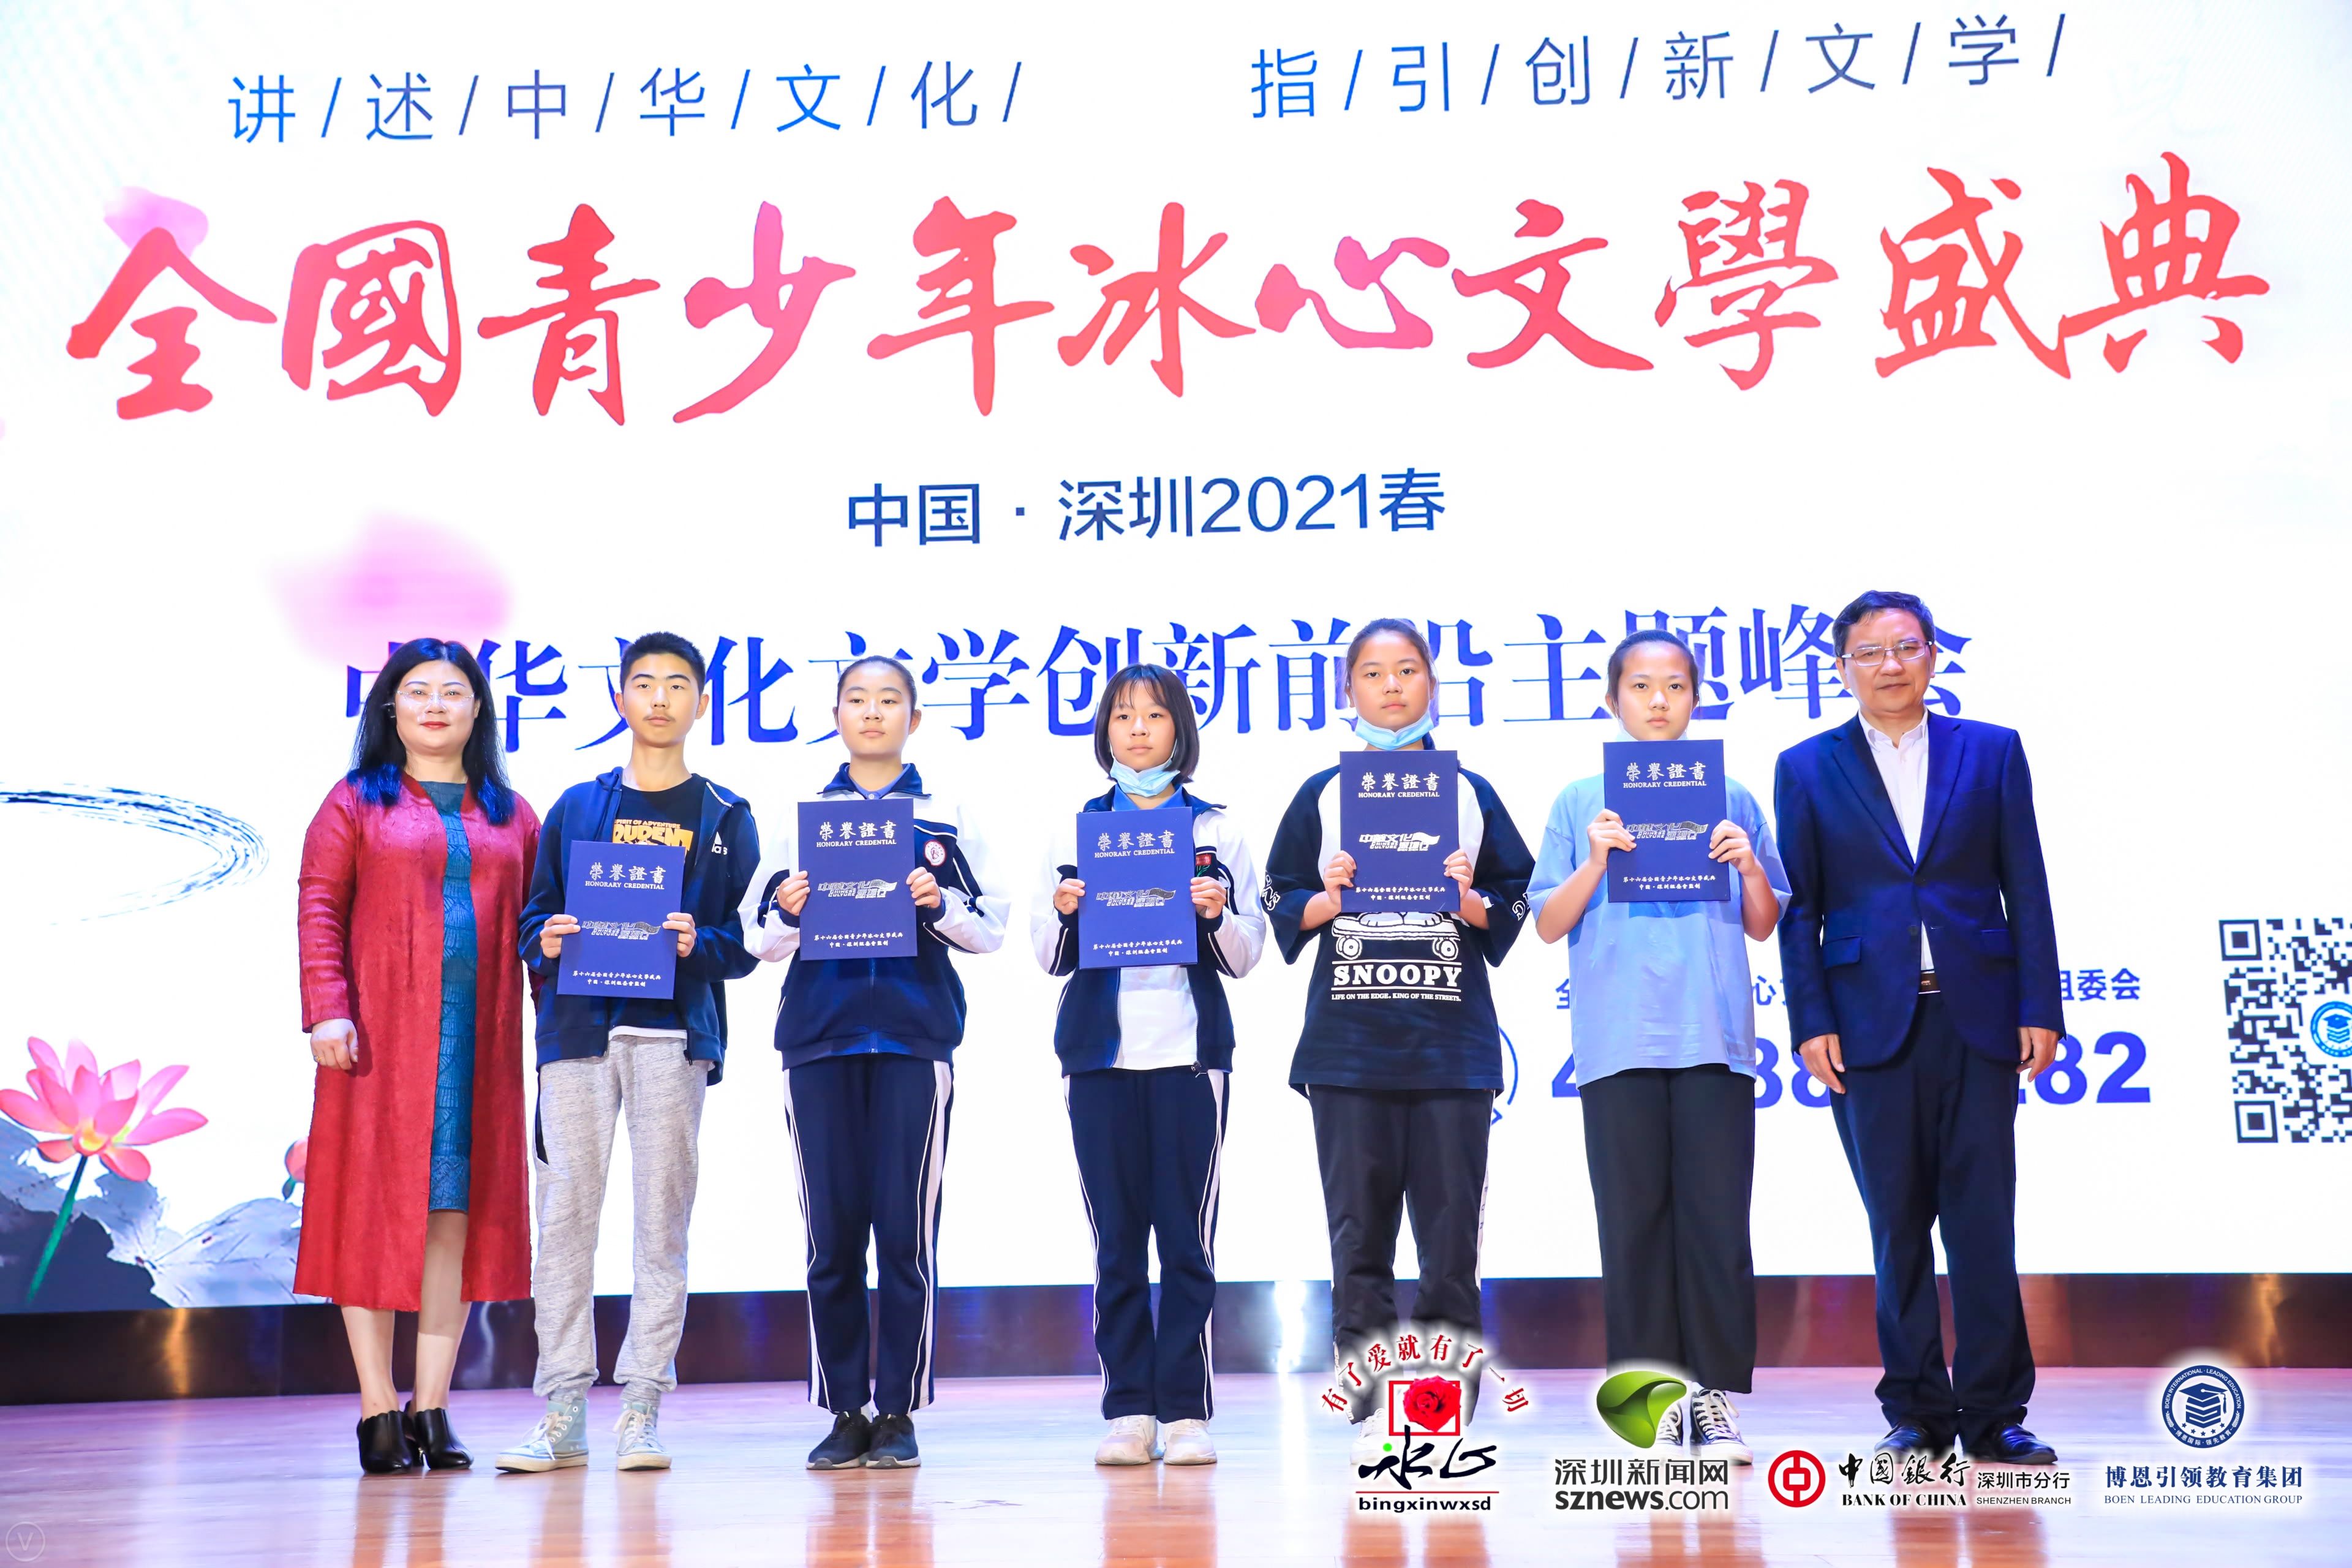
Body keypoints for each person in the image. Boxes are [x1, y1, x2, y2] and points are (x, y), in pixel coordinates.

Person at [1774, 590, 2064, 1466]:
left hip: (1978, 1015)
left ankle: (1996, 1414)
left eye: (1906, 647)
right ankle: (1915, 1413)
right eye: (1870, 653)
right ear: (1842, 669)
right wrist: (1810, 1019)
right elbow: (1801, 909)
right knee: (1896, 1227)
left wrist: (2040, 1007)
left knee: (1983, 1224)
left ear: (1935, 656)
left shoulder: (1992, 750)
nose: (1890, 666)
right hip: (1867, 1024)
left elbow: (2027, 885)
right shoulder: (1806, 766)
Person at [1261, 618, 1534, 1468]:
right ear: (1347, 690)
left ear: (1432, 686)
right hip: (1348, 1046)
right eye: (1373, 673)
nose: (1390, 686)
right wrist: (1329, 897)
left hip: (1451, 1043)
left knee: (1451, 1239)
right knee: (1359, 1233)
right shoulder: (1322, 794)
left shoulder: (1471, 793)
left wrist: (1469, 899)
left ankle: (1442, 1398)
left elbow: (1515, 898)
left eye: (1407, 670)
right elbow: (1280, 897)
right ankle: (1368, 1394)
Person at [496, 633, 763, 1474]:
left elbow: (747, 942)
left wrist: (696, 942)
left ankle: (642, 1406)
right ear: (619, 699)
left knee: (661, 1225)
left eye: (677, 685)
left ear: (702, 703)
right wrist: (549, 936)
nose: (659, 699)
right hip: (578, 1034)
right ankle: (562, 1409)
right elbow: (531, 920)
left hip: (673, 1037)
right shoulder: (578, 805)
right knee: (565, 1221)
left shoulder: (725, 814)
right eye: (643, 684)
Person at [1527, 630, 1788, 1464]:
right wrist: (1595, 861)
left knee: (1717, 1223)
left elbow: (1764, 921)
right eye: (1640, 686)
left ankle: (1714, 1401)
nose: (1659, 700)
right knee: (1632, 1224)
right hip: (1618, 1040)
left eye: (1675, 685)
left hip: (1713, 1037)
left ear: (1695, 699)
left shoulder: (1733, 796)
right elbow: (1547, 924)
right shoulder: (1580, 802)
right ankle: (1651, 1402)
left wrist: (1749, 867)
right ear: (1612, 702)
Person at [747, 656, 1005, 1471]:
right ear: (836, 716)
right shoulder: (802, 820)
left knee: (904, 1236)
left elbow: (992, 928)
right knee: (829, 1239)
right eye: (856, 699)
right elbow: (756, 936)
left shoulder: (944, 819)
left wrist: (941, 905)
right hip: (818, 1041)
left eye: (889, 700)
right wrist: (788, 911)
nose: (872, 713)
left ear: (913, 720)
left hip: (913, 1041)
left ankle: (897, 1409)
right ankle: (843, 1409)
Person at [296, 638, 540, 1474]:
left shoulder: (512, 812)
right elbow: (319, 907)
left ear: (478, 709)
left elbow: (540, 928)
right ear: (391, 708)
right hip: (377, 1044)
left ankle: (431, 1406)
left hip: (479, 1044)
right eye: (418, 691)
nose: (436, 705)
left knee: (452, 1217)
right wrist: (327, 1009)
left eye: (453, 692)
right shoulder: (354, 802)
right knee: (370, 1214)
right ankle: (377, 1409)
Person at [1032, 663, 1268, 1468]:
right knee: (1116, 1243)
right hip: (1099, 1058)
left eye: (1155, 716)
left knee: (1187, 1241)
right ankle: (1129, 1407)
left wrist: (1218, 916)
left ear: (1180, 731)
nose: (1138, 729)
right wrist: (1065, 912)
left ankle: (1186, 1411)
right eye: (1123, 715)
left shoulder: (1217, 830)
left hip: (1190, 1056)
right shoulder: (1077, 830)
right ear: (1105, 730)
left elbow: (1249, 955)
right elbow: (1045, 955)